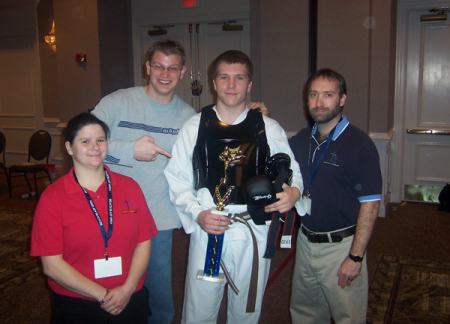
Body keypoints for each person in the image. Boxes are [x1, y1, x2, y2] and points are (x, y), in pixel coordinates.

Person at [91, 39, 268, 324]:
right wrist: (128, 150)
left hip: (157, 222)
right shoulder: (118, 102)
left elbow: (222, 149)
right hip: (109, 216)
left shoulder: (189, 118)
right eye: (159, 66)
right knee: (105, 289)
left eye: (173, 68)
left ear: (183, 71)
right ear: (147, 67)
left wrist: (251, 120)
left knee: (159, 298)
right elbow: (81, 141)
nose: (165, 73)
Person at [164, 50, 304, 324]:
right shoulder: (194, 128)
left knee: (246, 312)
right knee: (198, 312)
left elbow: (293, 172)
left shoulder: (268, 127)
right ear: (213, 83)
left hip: (253, 229)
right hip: (210, 228)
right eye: (224, 77)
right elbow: (177, 179)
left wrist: (294, 193)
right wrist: (197, 214)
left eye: (239, 78)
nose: (231, 85)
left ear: (249, 85)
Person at [30, 112, 158, 323]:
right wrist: (103, 295)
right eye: (85, 141)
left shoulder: (130, 187)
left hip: (130, 298)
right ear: (70, 148)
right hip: (78, 305)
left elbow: (144, 241)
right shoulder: (53, 197)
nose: (95, 147)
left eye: (100, 140)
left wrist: (127, 289)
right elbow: (51, 265)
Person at [288, 68, 382, 324]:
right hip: (305, 244)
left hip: (341, 248)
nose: (319, 102)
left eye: (328, 95)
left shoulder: (359, 145)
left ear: (342, 99)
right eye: (313, 95)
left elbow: (371, 206)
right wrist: (260, 119)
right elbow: (274, 156)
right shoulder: (301, 140)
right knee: (305, 316)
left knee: (347, 318)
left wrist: (355, 257)